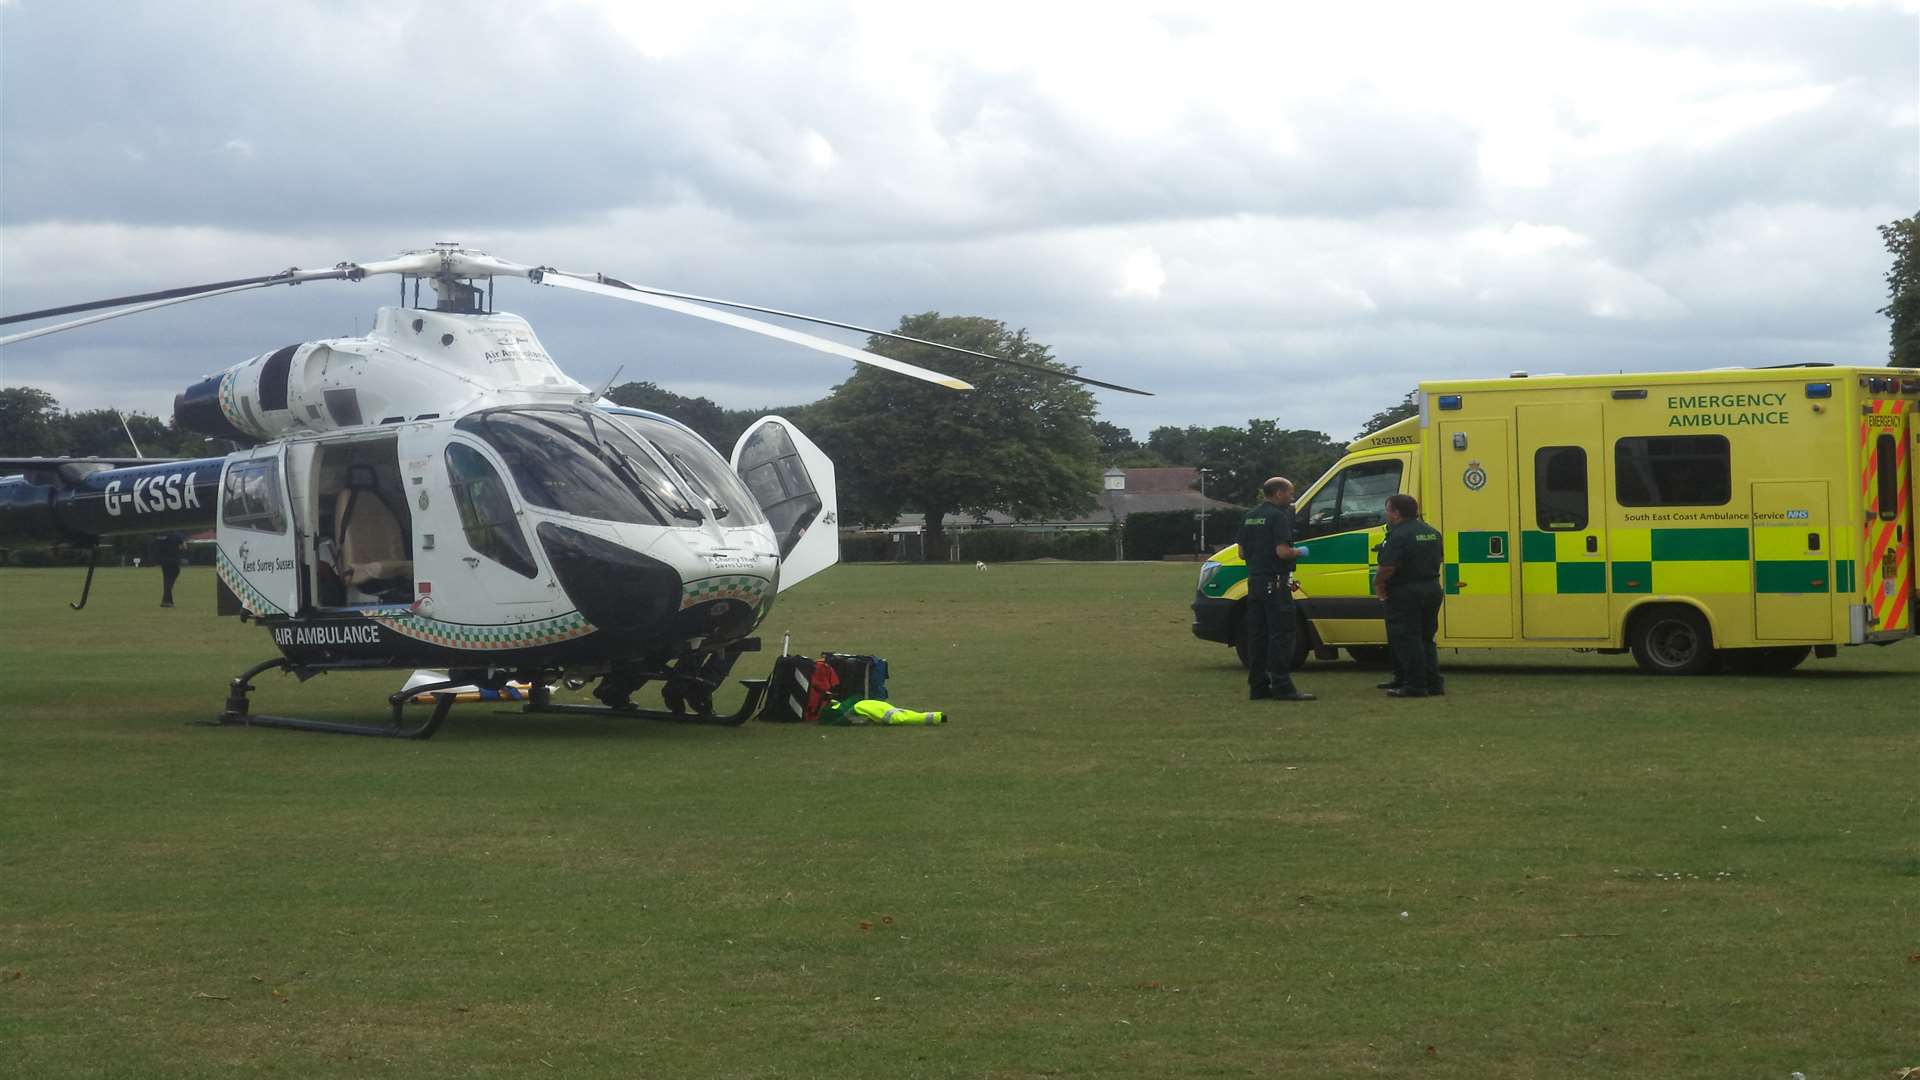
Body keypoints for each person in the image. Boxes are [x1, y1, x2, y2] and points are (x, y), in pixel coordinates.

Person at [1238, 477, 1315, 702]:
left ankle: (1258, 686)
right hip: (1276, 582)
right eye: (1290, 493)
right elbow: (1283, 552)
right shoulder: (1278, 517)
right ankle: (1283, 687)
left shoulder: (1250, 516)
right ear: (1278, 493)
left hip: (1255, 582)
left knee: (1258, 636)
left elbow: (1242, 553)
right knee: (1282, 634)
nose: (1292, 498)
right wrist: (1300, 552)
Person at [1373, 493, 1445, 698]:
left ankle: (1414, 685)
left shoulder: (1398, 535)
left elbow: (1387, 567)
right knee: (1425, 638)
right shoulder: (1432, 532)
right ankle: (1433, 683)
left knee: (1407, 638)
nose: (1386, 514)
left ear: (1396, 513)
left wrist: (1378, 583)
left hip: (1405, 591)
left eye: (1388, 509)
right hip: (1431, 588)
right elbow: (1439, 557)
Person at [151, 532, 184, 608]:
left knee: (166, 582)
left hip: (164, 562)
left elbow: (156, 547)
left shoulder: (161, 536)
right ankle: (166, 602)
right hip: (174, 562)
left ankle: (167, 601)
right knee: (169, 583)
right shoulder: (177, 535)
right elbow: (183, 546)